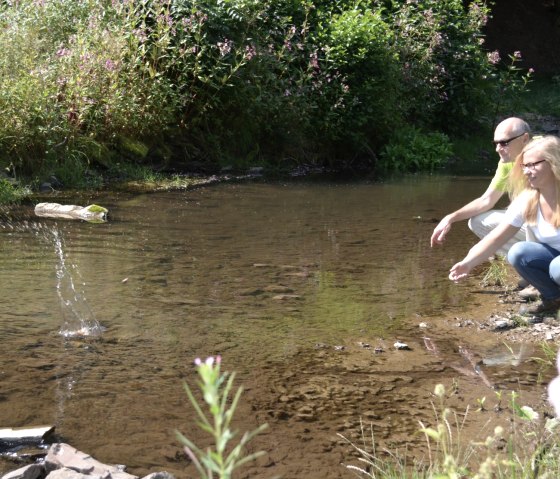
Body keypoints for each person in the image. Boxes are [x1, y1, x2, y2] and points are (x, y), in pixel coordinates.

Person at [449, 135, 560, 318]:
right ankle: (553, 299)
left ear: (553, 163)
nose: (526, 171)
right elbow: (496, 237)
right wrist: (467, 263)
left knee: (558, 267)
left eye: (533, 165)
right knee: (519, 252)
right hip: (554, 258)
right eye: (524, 166)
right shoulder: (528, 198)